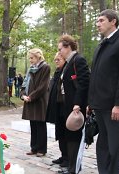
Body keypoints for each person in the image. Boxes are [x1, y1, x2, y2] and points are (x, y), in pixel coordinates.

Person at [87, 9, 119, 174]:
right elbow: (95, 76)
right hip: (99, 104)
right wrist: (91, 101)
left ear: (113, 21)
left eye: (101, 20)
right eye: (97, 21)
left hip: (113, 106)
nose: (98, 24)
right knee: (102, 144)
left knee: (116, 146)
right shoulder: (102, 44)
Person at [57, 34, 90, 174]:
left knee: (74, 137)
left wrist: (77, 103)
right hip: (67, 106)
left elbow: (84, 83)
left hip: (75, 107)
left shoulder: (78, 60)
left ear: (68, 47)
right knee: (68, 137)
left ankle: (74, 168)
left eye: (60, 49)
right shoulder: (68, 63)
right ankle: (72, 166)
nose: (59, 52)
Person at [21, 48, 50, 158]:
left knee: (40, 124)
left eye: (32, 58)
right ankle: (34, 147)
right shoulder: (30, 69)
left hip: (39, 101)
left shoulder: (45, 67)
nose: (30, 60)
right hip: (29, 100)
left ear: (38, 56)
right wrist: (23, 95)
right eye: (30, 58)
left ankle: (42, 149)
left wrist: (31, 97)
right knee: (33, 124)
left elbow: (43, 86)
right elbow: (24, 84)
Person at [46, 53, 68, 167]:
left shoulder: (66, 71)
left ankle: (67, 157)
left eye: (58, 59)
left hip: (64, 107)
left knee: (65, 132)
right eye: (55, 60)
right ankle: (63, 155)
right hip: (57, 106)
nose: (56, 61)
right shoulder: (57, 71)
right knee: (59, 132)